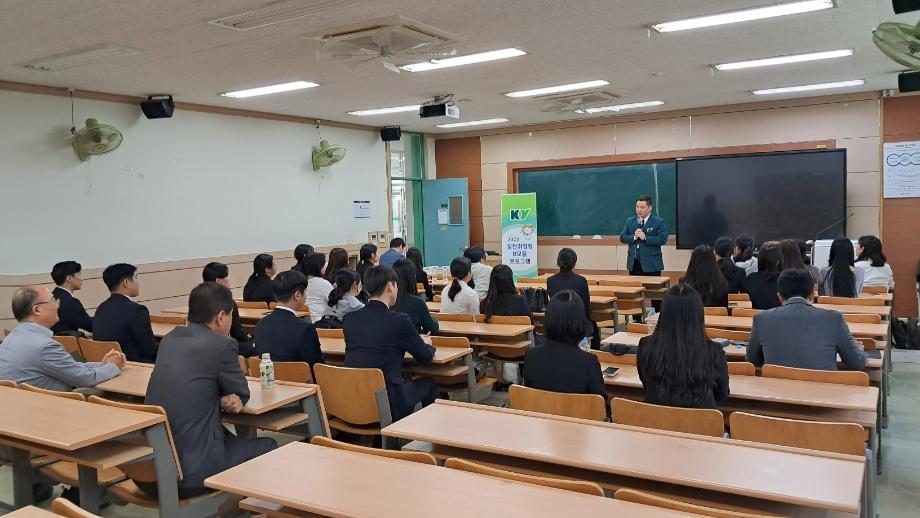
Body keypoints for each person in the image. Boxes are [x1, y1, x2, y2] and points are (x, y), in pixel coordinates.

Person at [145, 282, 277, 498]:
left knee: (231, 441)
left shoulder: (170, 339)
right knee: (269, 445)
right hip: (192, 473)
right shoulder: (222, 345)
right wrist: (229, 398)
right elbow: (240, 392)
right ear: (221, 317)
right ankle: (252, 509)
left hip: (152, 469)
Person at [344, 266, 438, 421]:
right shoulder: (399, 320)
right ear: (389, 286)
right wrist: (425, 343)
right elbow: (424, 356)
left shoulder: (349, 319)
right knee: (429, 384)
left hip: (354, 397)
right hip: (388, 401)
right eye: (396, 285)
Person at [0, 285, 124, 391]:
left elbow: (69, 367)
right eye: (54, 300)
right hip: (52, 407)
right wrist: (113, 367)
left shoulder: (9, 339)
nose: (58, 306)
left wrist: (102, 365)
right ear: (37, 310)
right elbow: (86, 379)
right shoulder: (44, 346)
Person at [746, 270, 867, 371]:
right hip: (823, 390)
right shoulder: (834, 318)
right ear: (812, 295)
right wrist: (859, 350)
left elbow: (753, 360)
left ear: (779, 296)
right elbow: (856, 363)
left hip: (775, 390)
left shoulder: (761, 319)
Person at [637, 284, 729, 409]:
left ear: (663, 314)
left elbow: (646, 383)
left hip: (655, 418)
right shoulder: (714, 352)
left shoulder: (645, 346)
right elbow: (722, 394)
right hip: (701, 420)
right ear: (698, 316)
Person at [523, 290, 608, 415]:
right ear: (580, 322)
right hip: (577, 424)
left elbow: (529, 397)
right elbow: (600, 406)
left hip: (542, 422)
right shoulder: (588, 362)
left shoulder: (531, 356)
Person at [253, 271, 324, 365]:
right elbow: (316, 365)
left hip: (269, 374)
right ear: (297, 295)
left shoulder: (261, 324)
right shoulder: (305, 329)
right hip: (298, 375)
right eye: (305, 292)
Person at [93, 263, 158, 363]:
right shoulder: (137, 310)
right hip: (136, 365)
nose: (138, 282)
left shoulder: (101, 308)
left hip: (107, 363)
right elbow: (150, 351)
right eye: (136, 277)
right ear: (126, 283)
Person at [202, 262, 255, 356]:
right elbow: (237, 333)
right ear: (218, 281)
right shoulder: (227, 302)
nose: (229, 278)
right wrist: (250, 337)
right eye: (226, 276)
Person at [547, 248, 596, 346]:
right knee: (594, 328)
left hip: (557, 324)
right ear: (574, 263)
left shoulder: (550, 280)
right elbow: (586, 307)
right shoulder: (581, 280)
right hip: (576, 324)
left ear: (558, 262)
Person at [619, 195, 668, 292]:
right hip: (634, 264)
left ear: (650, 208)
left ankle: (655, 303)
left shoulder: (658, 222)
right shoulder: (630, 221)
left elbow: (662, 239)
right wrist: (634, 237)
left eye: (642, 207)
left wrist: (645, 238)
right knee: (635, 292)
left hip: (652, 264)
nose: (639, 210)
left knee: (654, 294)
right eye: (637, 207)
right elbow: (622, 237)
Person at [394, 259, 439, 334]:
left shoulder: (387, 302)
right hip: (412, 341)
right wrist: (434, 319)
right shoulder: (417, 303)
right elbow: (432, 329)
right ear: (412, 278)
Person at [49, 261, 94, 336]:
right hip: (67, 343)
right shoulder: (71, 302)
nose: (82, 279)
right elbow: (90, 326)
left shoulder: (50, 297)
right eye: (79, 274)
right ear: (69, 278)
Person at [741, 243, 784, 310]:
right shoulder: (785, 280)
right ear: (778, 261)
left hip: (753, 315)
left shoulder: (751, 278)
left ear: (759, 259)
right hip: (780, 315)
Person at [302, 252, 334, 322]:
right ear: (319, 267)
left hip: (304, 320)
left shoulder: (301, 283)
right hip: (320, 322)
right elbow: (335, 302)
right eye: (324, 263)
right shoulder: (324, 284)